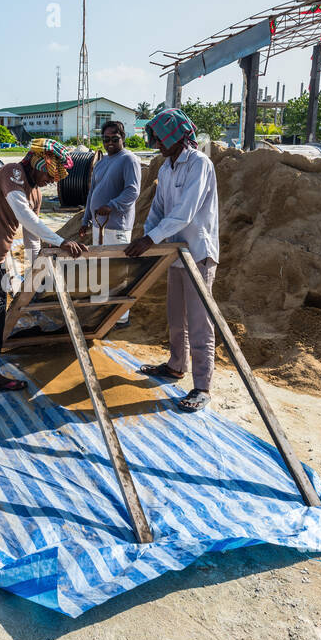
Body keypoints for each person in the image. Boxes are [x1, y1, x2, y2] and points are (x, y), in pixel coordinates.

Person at [0, 138, 87, 411]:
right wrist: (60, 241)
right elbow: (23, 214)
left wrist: (35, 275)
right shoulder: (11, 173)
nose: (50, 182)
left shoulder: (36, 193)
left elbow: (31, 236)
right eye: (49, 174)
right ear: (38, 162)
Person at [125, 108, 219, 413]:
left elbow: (185, 213)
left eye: (161, 138)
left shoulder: (199, 165)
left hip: (198, 255)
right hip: (174, 255)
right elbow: (159, 211)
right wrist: (146, 238)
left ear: (177, 135)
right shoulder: (166, 169)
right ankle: (176, 365)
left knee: (199, 322)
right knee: (176, 316)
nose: (158, 144)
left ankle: (202, 385)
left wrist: (151, 239)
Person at [80, 119, 141, 325]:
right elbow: (92, 193)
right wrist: (85, 219)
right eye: (105, 139)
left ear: (122, 138)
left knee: (117, 271)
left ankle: (121, 318)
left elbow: (132, 191)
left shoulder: (129, 160)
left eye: (114, 139)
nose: (109, 143)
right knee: (100, 268)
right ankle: (102, 311)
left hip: (117, 226)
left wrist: (112, 205)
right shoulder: (102, 162)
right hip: (99, 225)